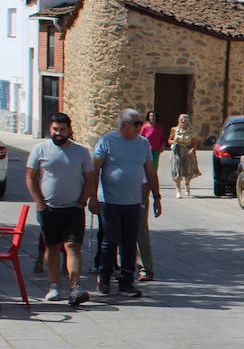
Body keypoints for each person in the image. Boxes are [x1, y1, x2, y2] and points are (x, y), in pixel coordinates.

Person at [25, 113, 95, 306]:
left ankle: (75, 288)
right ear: (50, 129)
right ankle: (54, 286)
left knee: (73, 246)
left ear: (69, 130)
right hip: (49, 208)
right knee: (52, 247)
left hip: (74, 207)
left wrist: (83, 201)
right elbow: (30, 178)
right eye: (55, 129)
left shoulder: (81, 151)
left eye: (62, 130)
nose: (58, 133)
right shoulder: (40, 149)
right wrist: (39, 202)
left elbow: (89, 179)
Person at [92, 108, 161, 298]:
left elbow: (150, 170)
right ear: (123, 125)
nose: (141, 126)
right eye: (137, 123)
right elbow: (94, 169)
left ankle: (126, 282)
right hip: (110, 201)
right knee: (110, 240)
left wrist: (156, 196)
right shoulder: (107, 141)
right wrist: (92, 197)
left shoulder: (143, 144)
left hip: (133, 201)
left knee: (129, 242)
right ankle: (104, 277)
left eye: (141, 123)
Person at [168, 113, 201, 198]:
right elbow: (169, 140)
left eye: (185, 119)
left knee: (188, 170)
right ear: (179, 120)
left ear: (188, 121)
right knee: (177, 169)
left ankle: (187, 185)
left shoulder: (191, 130)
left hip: (187, 150)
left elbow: (195, 143)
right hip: (177, 151)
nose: (183, 121)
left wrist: (192, 150)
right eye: (182, 119)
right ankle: (178, 190)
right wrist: (173, 142)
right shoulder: (174, 129)